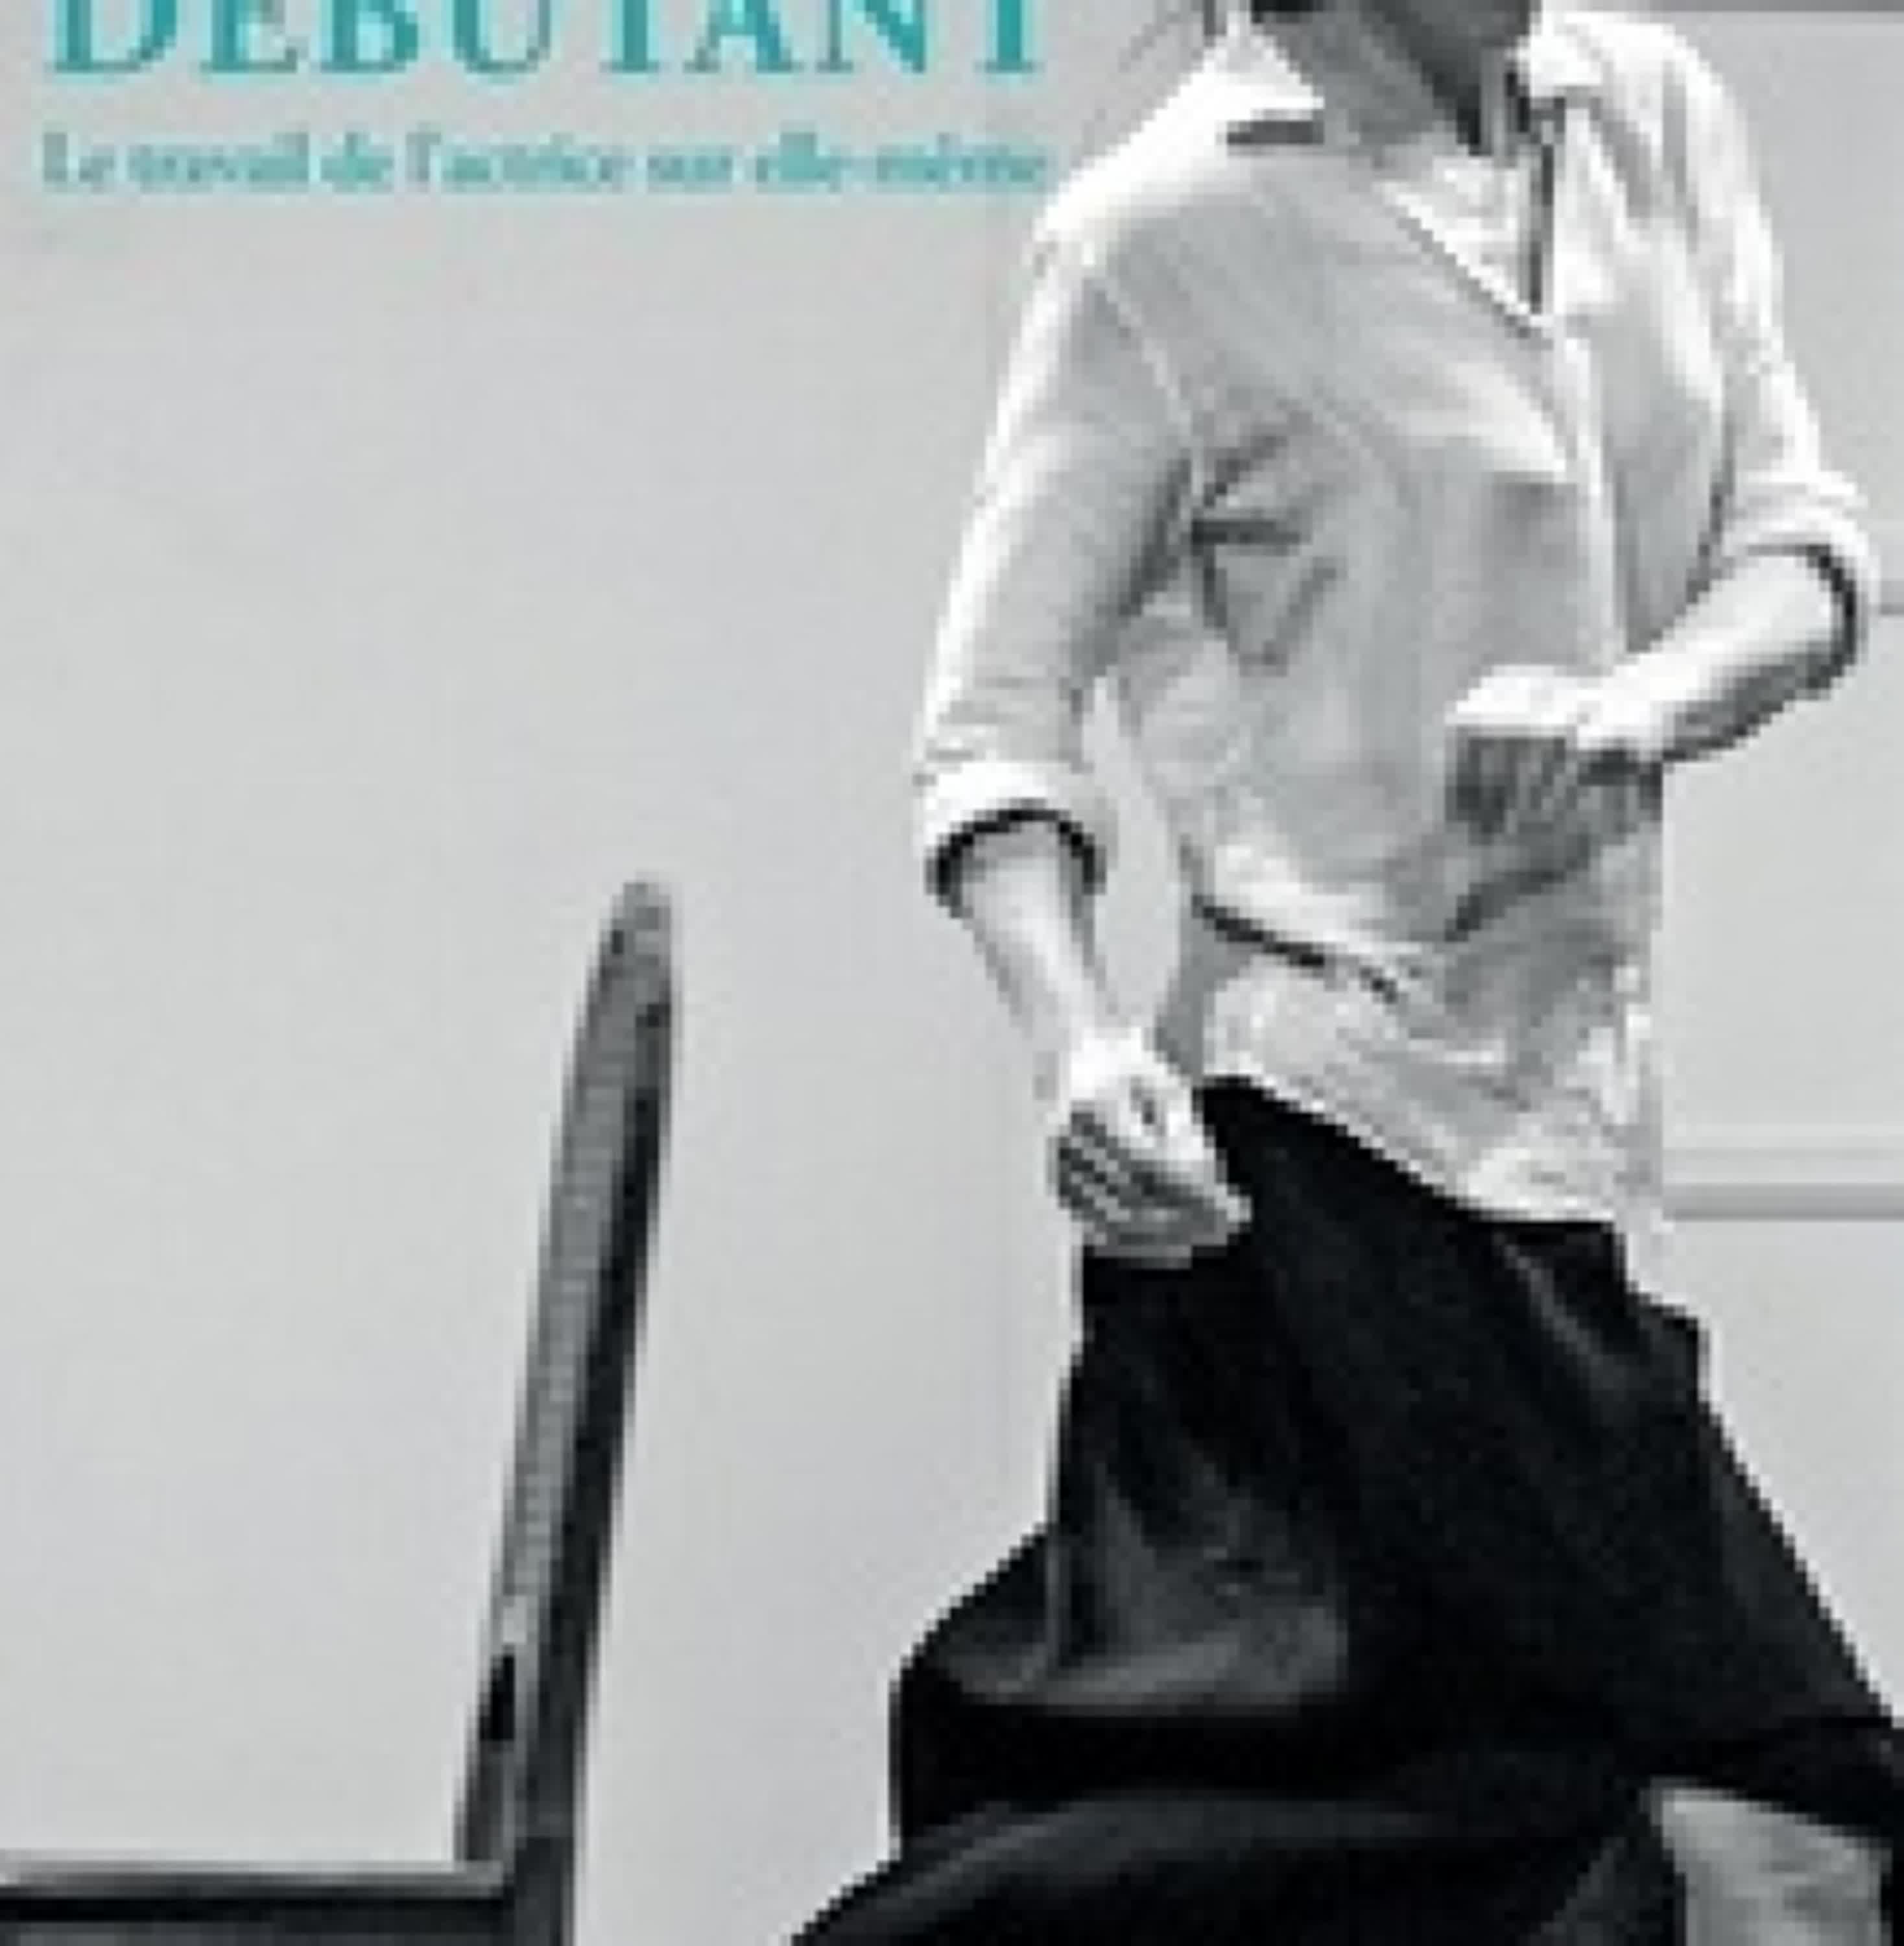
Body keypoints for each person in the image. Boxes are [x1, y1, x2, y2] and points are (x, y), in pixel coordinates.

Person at [804, 0, 1904, 1938]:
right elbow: (993, 730)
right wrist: (1074, 1045)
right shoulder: (1165, 233)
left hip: (1556, 1152)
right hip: (1323, 1149)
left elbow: (1803, 546)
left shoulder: (1648, 118)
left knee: (1490, 1843)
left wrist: (1644, 700)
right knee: (1786, 1816)